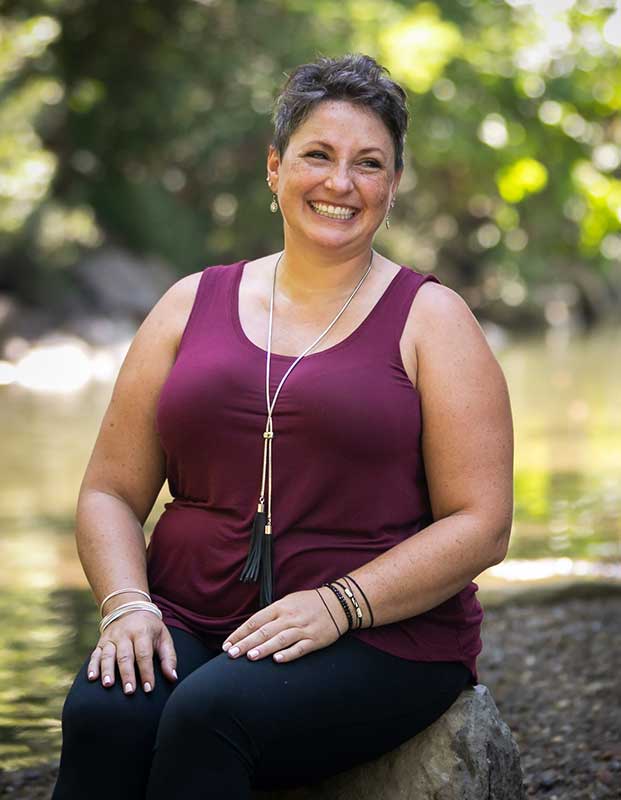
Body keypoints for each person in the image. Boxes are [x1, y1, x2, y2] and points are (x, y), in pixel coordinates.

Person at [51, 53, 513, 799]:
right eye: (317, 156)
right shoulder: (186, 304)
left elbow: (482, 524)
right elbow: (109, 491)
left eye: (368, 163)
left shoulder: (434, 319)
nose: (340, 183)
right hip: (189, 613)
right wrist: (127, 607)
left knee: (212, 717)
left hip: (382, 634)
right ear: (274, 169)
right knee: (106, 713)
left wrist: (340, 605)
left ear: (392, 187)